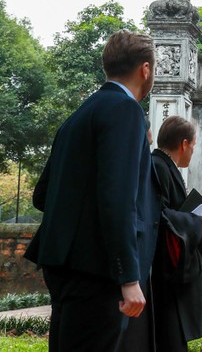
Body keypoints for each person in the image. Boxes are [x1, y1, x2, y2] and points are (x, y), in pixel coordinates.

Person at [24, 30, 160, 352]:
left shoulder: (77, 117)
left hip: (63, 265)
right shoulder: (127, 112)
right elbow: (118, 199)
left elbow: (42, 195)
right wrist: (128, 277)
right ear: (145, 69)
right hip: (99, 270)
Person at [150, 115, 202, 352]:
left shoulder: (164, 166)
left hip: (166, 275)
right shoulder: (158, 167)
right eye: (193, 146)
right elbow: (159, 216)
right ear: (184, 143)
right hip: (162, 275)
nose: (193, 152)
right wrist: (198, 223)